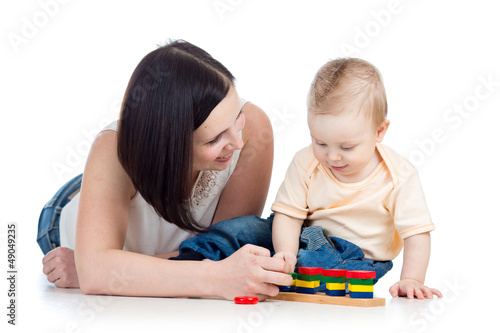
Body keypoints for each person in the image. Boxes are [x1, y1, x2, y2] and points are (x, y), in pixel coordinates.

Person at [37, 39, 293, 300]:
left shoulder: (253, 131)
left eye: (236, 119)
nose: (237, 143)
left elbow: (218, 248)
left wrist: (118, 272)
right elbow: (95, 273)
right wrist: (97, 268)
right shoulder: (111, 149)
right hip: (67, 214)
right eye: (215, 139)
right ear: (170, 145)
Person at [174, 58, 442, 299]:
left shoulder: (399, 176)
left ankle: (290, 278)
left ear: (379, 131)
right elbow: (288, 217)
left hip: (356, 255)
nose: (332, 157)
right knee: (245, 228)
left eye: (346, 147)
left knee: (323, 261)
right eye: (320, 142)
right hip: (299, 235)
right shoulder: (306, 162)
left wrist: (411, 279)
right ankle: (197, 256)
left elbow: (417, 233)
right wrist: (285, 252)